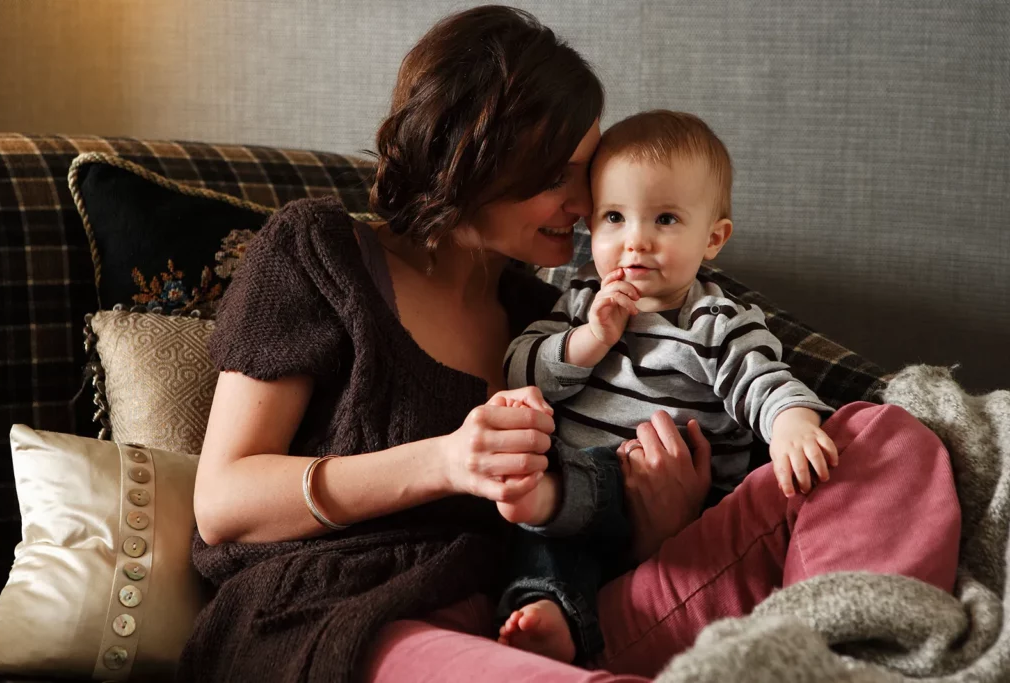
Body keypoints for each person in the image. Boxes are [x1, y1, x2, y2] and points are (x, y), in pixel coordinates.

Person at [177, 6, 962, 683]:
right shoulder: (319, 254)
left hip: (551, 609)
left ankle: (840, 657)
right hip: (341, 620)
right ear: (475, 155)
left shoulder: (553, 309)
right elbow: (223, 504)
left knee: (881, 437)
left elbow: (578, 510)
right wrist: (445, 461)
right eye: (565, 173)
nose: (589, 207)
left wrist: (663, 527)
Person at [496, 110, 840, 665]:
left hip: (680, 523)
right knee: (546, 555)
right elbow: (519, 369)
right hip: (573, 521)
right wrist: (590, 339)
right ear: (591, 226)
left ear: (713, 238)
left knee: (570, 483)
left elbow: (761, 378)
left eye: (665, 219)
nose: (636, 242)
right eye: (614, 217)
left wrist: (792, 423)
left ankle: (553, 500)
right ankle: (553, 616)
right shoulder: (582, 300)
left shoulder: (714, 322)